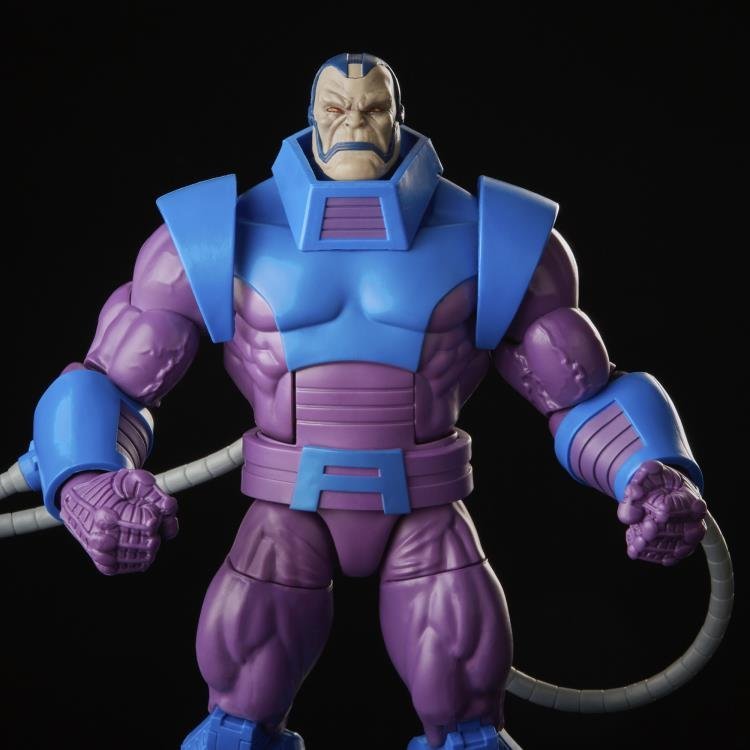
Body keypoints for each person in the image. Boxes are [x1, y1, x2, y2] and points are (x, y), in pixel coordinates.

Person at [22, 53, 708, 750]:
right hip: (288, 506)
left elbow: (581, 388)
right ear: (312, 117)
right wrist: (85, 481)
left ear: (397, 116)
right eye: (336, 107)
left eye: (372, 107)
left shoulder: (495, 237)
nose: (354, 122)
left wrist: (651, 474)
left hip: (425, 507)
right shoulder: (212, 235)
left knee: (466, 712)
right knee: (238, 713)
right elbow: (112, 378)